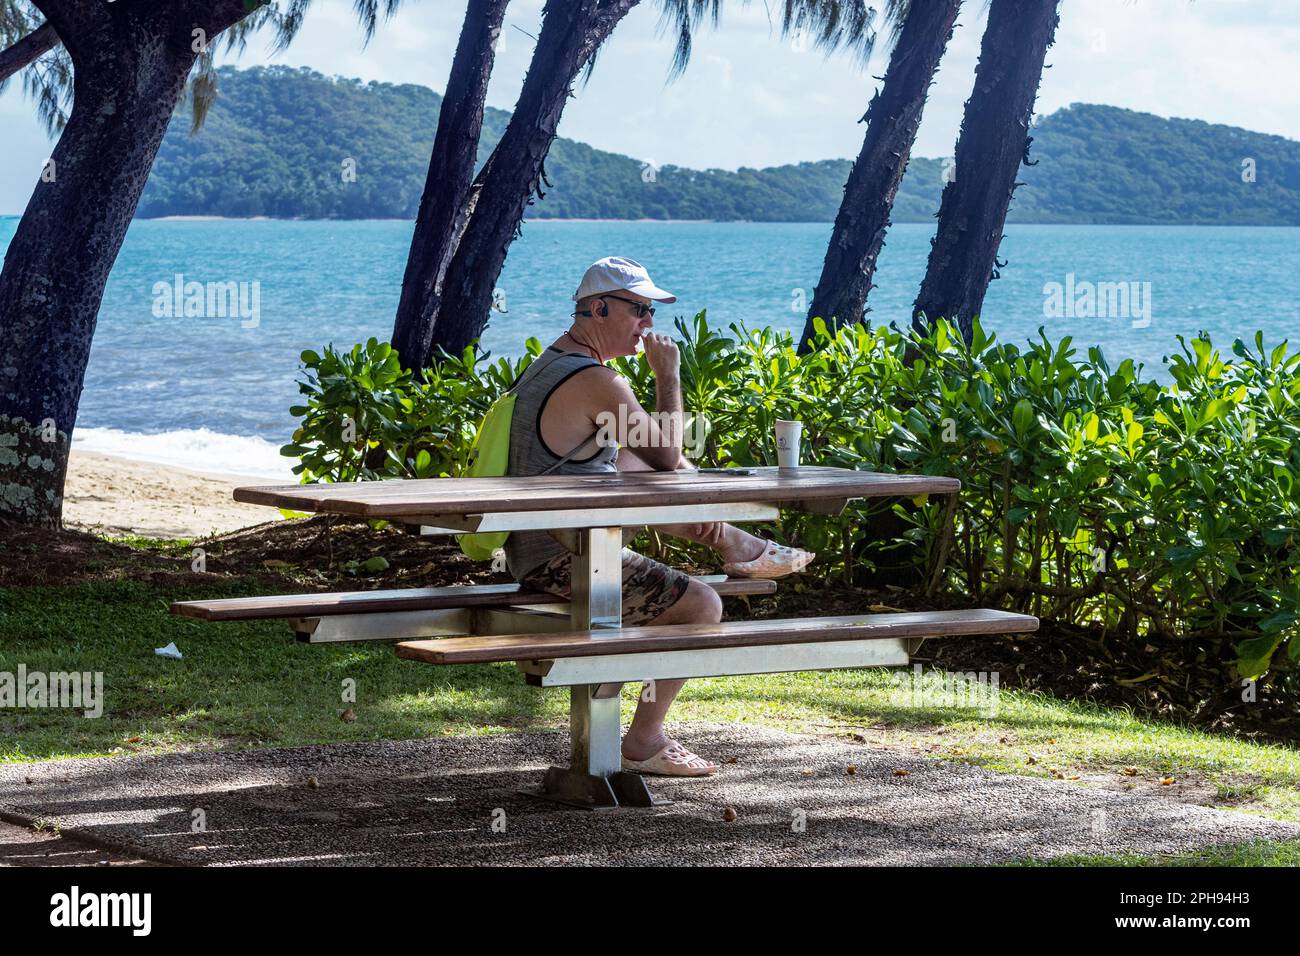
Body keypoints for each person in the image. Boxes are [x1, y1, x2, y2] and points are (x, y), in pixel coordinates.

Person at [503, 256, 814, 777]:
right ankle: (643, 742)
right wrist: (667, 377)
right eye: (640, 310)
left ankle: (732, 543)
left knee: (646, 472)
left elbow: (649, 462)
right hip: (564, 556)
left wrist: (685, 491)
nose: (649, 323)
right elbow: (671, 453)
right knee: (701, 606)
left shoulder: (551, 363)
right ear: (598, 308)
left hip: (556, 542)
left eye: (651, 311)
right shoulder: (596, 380)